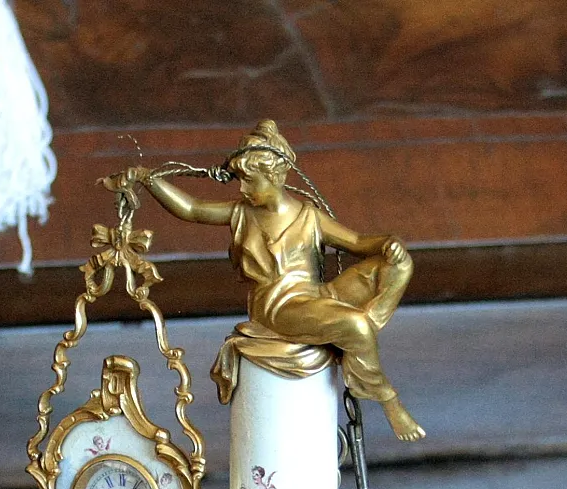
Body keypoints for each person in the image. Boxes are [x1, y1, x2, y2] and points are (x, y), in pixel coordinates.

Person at [113, 120, 425, 443]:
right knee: (355, 326)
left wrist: (387, 243)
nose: (243, 190)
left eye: (250, 181)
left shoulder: (308, 215)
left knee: (396, 267)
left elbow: (359, 242)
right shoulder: (241, 214)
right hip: (277, 307)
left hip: (315, 296)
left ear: (275, 176)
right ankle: (388, 398)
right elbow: (192, 209)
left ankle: (356, 340)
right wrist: (147, 178)